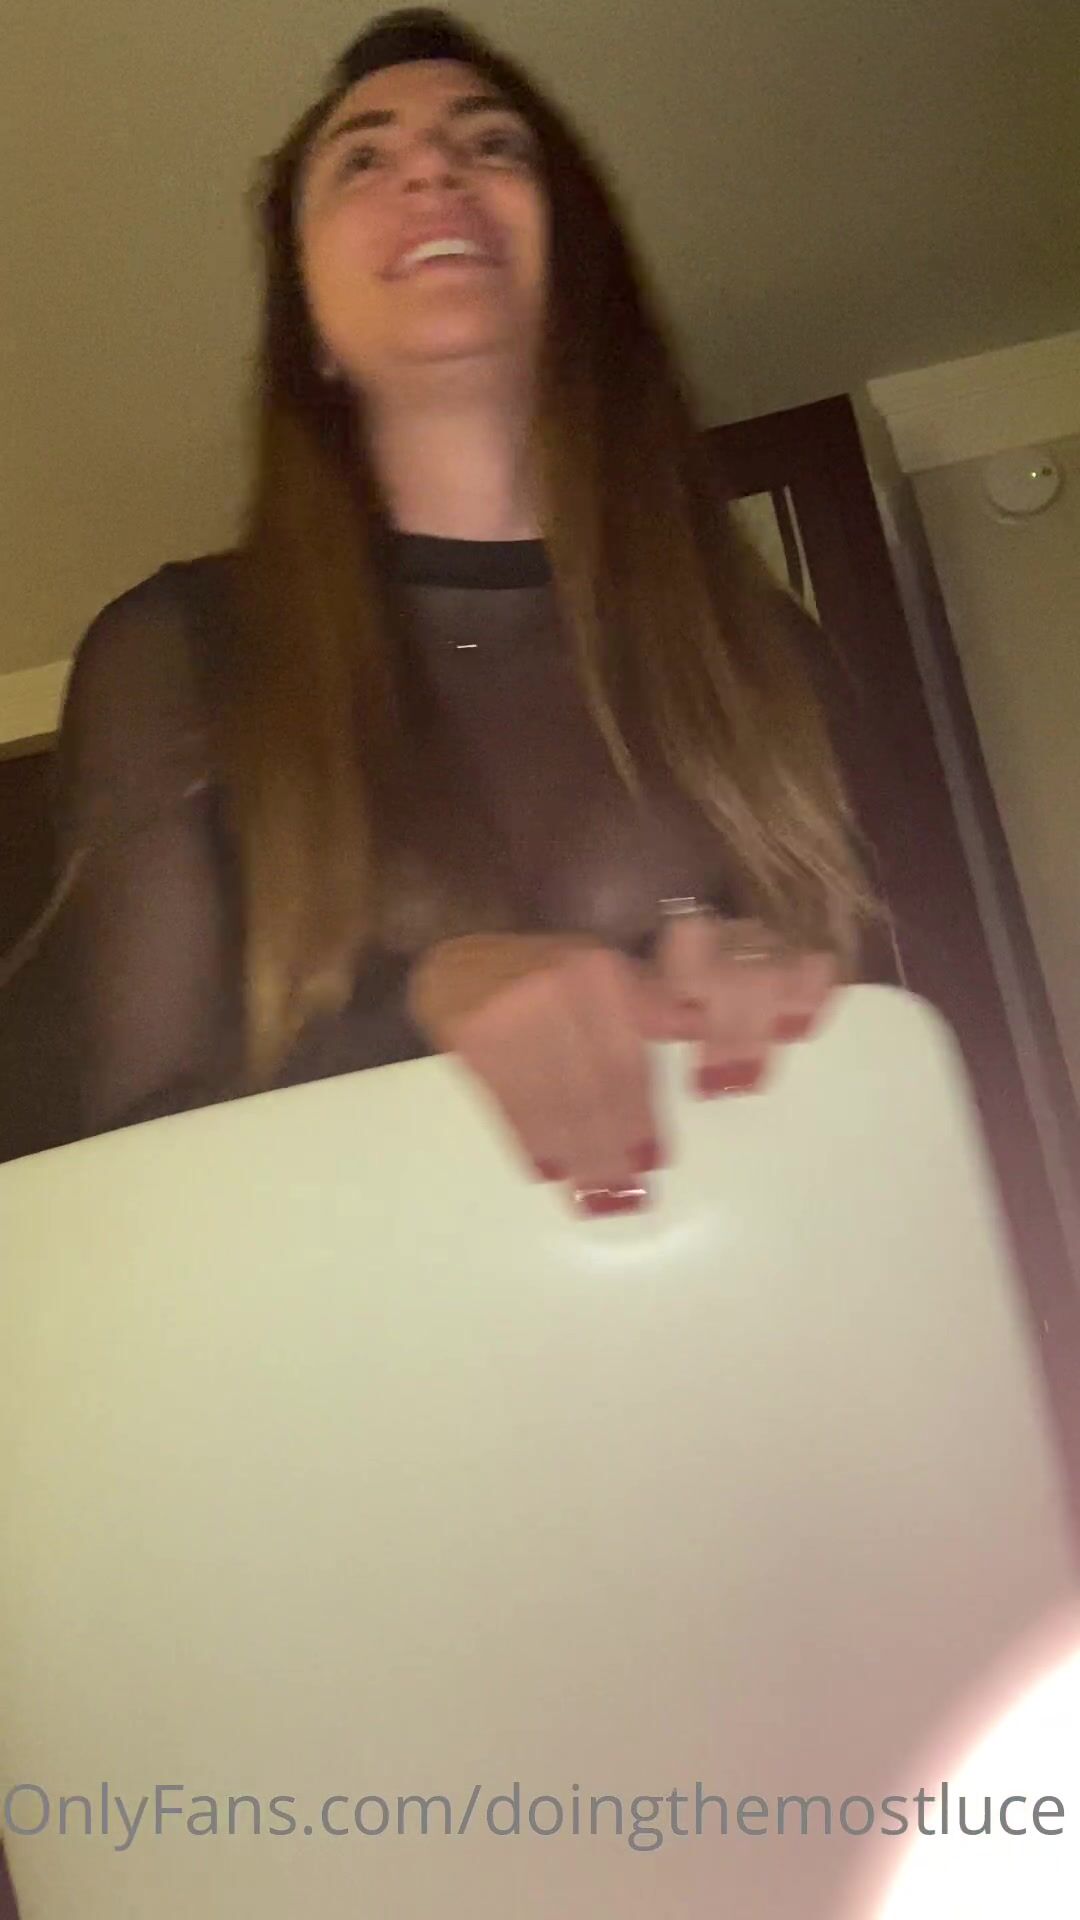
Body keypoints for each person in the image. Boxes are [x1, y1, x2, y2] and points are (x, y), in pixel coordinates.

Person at [50, 8, 877, 1216]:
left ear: (573, 274)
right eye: (362, 159)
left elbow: (911, 1117)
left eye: (491, 144)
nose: (433, 168)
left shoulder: (769, 653)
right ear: (310, 330)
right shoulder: (175, 653)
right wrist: (417, 1012)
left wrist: (810, 1027)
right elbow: (123, 1184)